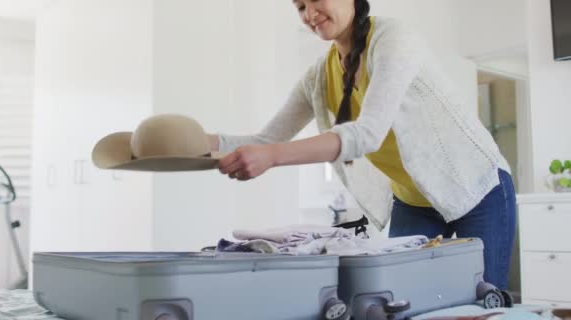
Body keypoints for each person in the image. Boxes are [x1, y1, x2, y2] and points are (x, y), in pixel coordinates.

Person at [208, 0, 516, 290]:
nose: (309, 13)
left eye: (316, 0)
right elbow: (266, 140)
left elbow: (368, 133)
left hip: (477, 189)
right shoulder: (318, 76)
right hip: (413, 202)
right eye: (300, 6)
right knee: (403, 298)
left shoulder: (393, 38)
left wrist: (272, 157)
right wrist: (200, 143)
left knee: (482, 297)